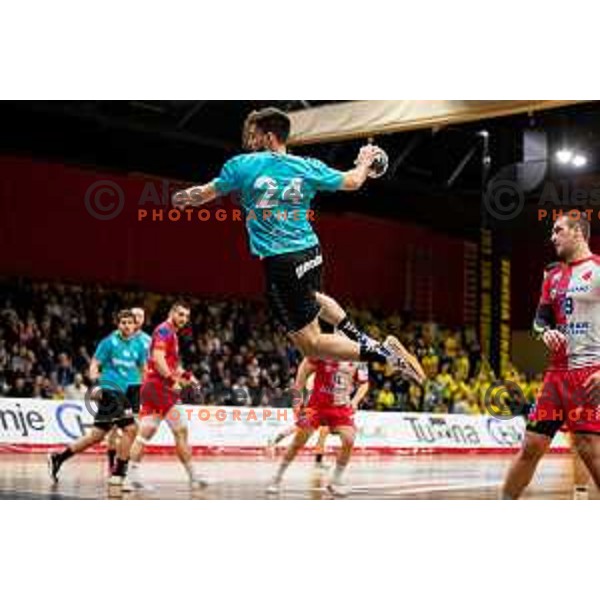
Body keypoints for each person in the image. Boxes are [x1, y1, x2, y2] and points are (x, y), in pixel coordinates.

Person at [173, 107, 424, 386]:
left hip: (281, 262)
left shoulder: (242, 165)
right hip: (311, 251)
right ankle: (358, 336)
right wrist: (365, 161)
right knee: (313, 296)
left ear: (269, 137)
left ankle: (384, 354)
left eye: (254, 136)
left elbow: (203, 194)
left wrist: (182, 197)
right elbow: (353, 181)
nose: (250, 142)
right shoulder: (307, 166)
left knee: (312, 345)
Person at [502, 214, 600, 499]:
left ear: (578, 232)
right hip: (555, 377)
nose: (552, 237)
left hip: (589, 374)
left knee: (588, 449)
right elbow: (539, 320)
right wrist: (543, 333)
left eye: (558, 230)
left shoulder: (597, 270)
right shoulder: (553, 275)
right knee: (531, 444)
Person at [267, 328, 370, 497]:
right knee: (297, 443)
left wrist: (355, 400)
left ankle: (335, 481)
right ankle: (276, 478)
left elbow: (364, 383)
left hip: (341, 408)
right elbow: (304, 369)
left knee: (349, 439)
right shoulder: (324, 351)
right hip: (316, 406)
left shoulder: (359, 358)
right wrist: (297, 398)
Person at [48, 310, 146, 484]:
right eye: (123, 322)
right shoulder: (109, 342)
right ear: (118, 324)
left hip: (130, 390)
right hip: (110, 388)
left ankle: (59, 458)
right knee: (131, 429)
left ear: (134, 325)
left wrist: (143, 387)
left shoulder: (139, 345)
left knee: (96, 435)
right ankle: (119, 474)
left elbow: (142, 368)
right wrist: (95, 382)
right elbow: (95, 364)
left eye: (129, 322)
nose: (126, 325)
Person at [122, 301, 207, 492]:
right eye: (181, 314)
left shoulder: (171, 334)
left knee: (145, 434)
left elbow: (174, 364)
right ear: (172, 313)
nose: (184, 319)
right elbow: (158, 360)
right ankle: (194, 477)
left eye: (186, 316)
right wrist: (172, 381)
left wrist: (189, 377)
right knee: (181, 432)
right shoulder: (164, 331)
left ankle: (129, 477)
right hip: (161, 389)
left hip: (152, 388)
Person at [105, 307, 151, 473]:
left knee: (132, 425)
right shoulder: (116, 336)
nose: (138, 319)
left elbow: (149, 364)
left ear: (144, 320)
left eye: (141, 316)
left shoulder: (147, 340)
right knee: (114, 426)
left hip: (136, 387)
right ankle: (112, 461)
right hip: (117, 385)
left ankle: (123, 462)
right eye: (135, 316)